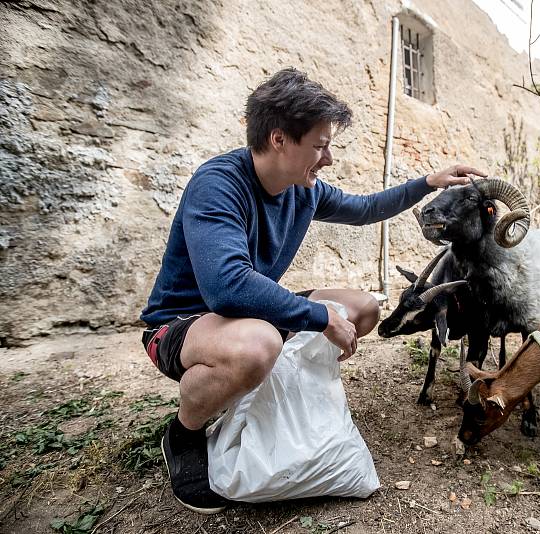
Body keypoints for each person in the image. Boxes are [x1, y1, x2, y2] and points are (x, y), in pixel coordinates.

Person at [140, 67, 486, 514]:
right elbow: (227, 286)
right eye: (320, 146)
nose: (328, 158)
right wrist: (320, 317)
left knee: (361, 308)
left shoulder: (301, 189)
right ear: (280, 139)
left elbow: (365, 209)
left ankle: (254, 393)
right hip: (183, 327)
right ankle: (183, 434)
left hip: (250, 315)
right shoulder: (218, 185)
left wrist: (427, 183)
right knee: (259, 345)